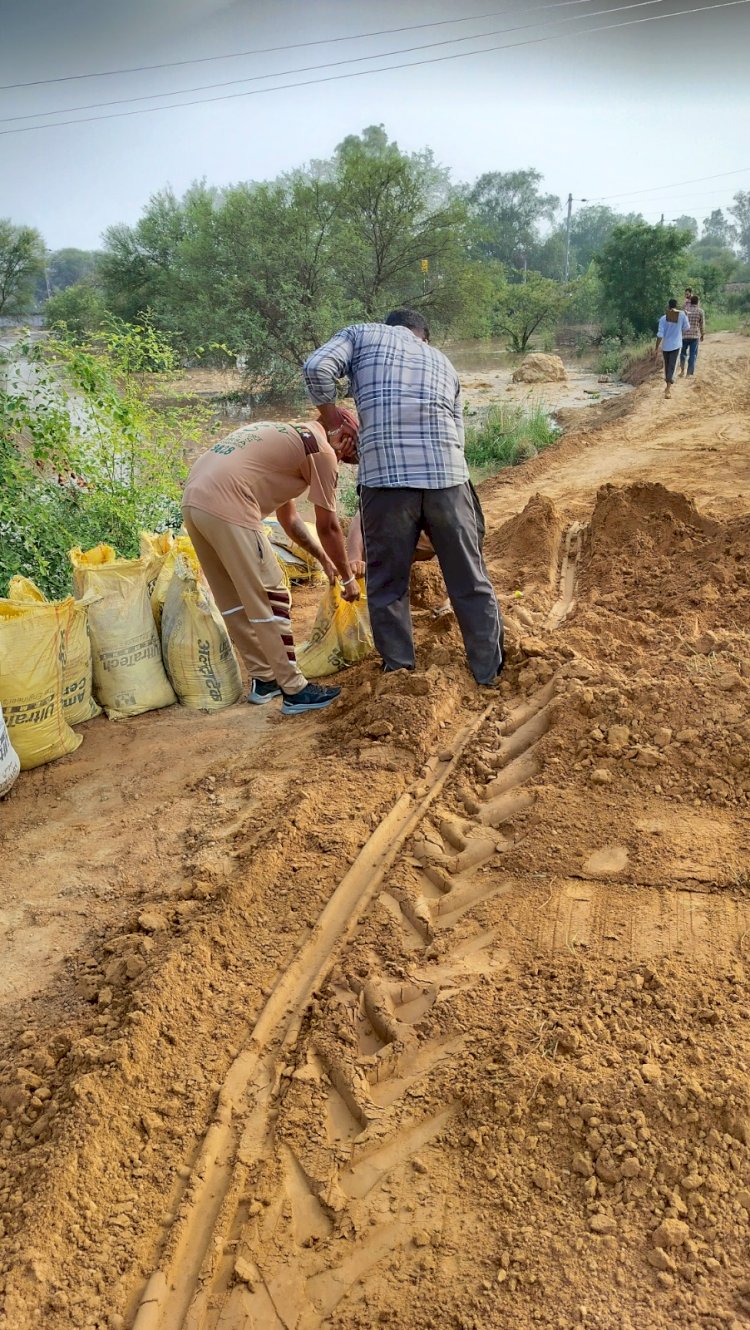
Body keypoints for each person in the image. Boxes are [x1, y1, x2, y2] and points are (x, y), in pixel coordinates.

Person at [303, 310, 503, 685]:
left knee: (389, 584)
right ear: (422, 336)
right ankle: (488, 672)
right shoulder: (443, 362)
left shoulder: (362, 334)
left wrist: (332, 420)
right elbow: (458, 438)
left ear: (389, 326)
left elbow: (316, 368)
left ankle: (399, 674)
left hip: (388, 483)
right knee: (470, 580)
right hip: (448, 478)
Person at [181, 418, 359, 714]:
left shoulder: (292, 436)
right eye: (354, 453)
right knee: (272, 593)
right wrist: (347, 577)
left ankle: (264, 679)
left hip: (194, 502)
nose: (349, 462)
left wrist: (324, 560)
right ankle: (295, 690)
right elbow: (328, 527)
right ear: (344, 437)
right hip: (229, 503)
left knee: (234, 600)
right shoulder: (323, 453)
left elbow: (289, 521)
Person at [654, 299, 690, 399]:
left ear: (668, 306)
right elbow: (687, 328)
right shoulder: (682, 315)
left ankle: (668, 387)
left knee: (667, 366)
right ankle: (668, 389)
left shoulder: (663, 318)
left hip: (666, 346)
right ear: (676, 305)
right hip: (676, 345)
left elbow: (660, 334)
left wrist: (656, 347)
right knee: (672, 366)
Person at [679, 294, 705, 378]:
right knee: (692, 354)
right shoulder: (700, 311)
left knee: (683, 353)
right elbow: (701, 324)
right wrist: (702, 334)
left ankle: (682, 371)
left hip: (684, 335)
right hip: (695, 336)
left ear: (691, 302)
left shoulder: (685, 311)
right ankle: (689, 374)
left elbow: (681, 323)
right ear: (697, 302)